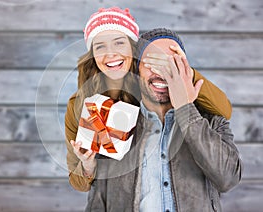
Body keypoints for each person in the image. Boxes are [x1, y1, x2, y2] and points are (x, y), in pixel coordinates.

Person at [65, 7, 233, 192]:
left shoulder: (150, 86)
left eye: (119, 43)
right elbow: (78, 183)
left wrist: (185, 70)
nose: (110, 54)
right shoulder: (79, 104)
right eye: (100, 46)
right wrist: (88, 167)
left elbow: (224, 110)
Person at [83, 28, 242, 212]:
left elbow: (228, 179)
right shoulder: (113, 122)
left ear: (184, 71)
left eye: (171, 64)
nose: (162, 72)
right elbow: (98, 202)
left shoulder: (212, 122)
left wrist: (185, 108)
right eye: (152, 62)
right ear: (137, 70)